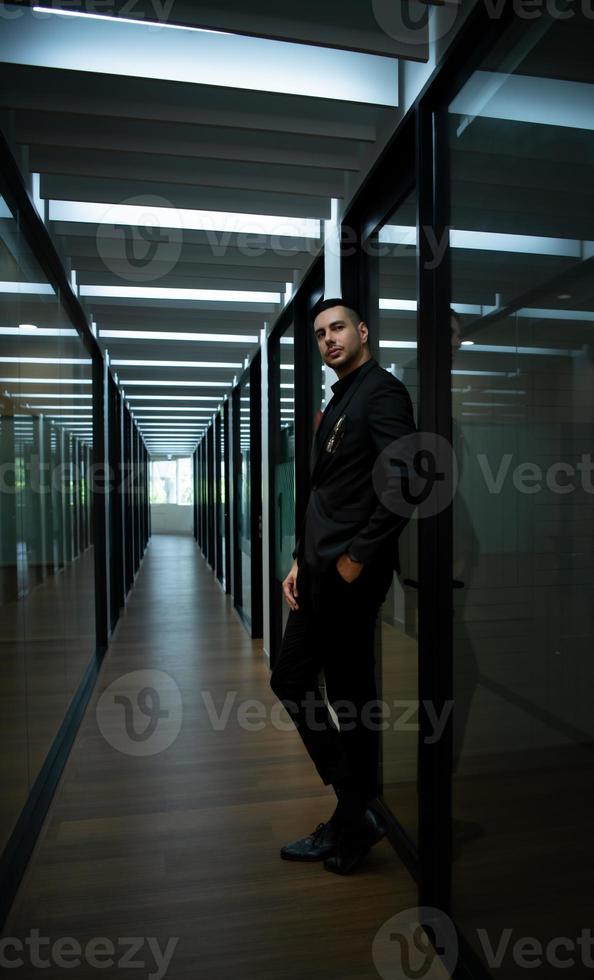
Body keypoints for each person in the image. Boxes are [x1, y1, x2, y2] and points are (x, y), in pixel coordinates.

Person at [269, 298, 417, 874]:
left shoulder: (381, 392)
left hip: (350, 577)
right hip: (319, 572)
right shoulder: (340, 400)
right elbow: (327, 495)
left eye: (338, 328)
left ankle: (352, 823)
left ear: (362, 332)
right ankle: (356, 811)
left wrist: (357, 557)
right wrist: (300, 560)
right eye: (319, 333)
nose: (328, 339)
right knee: (294, 679)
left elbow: (407, 480)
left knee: (349, 697)